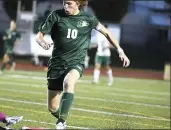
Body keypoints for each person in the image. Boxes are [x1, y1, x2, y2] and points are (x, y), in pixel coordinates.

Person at [35, 0, 130, 129]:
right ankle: (63, 117)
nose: (65, 6)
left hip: (76, 62)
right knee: (52, 108)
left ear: (78, 3)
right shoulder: (56, 15)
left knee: (69, 82)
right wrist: (42, 43)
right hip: (56, 64)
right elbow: (39, 36)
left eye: (69, 3)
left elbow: (107, 33)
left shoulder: (88, 19)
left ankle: (61, 122)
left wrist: (120, 50)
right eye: (64, 3)